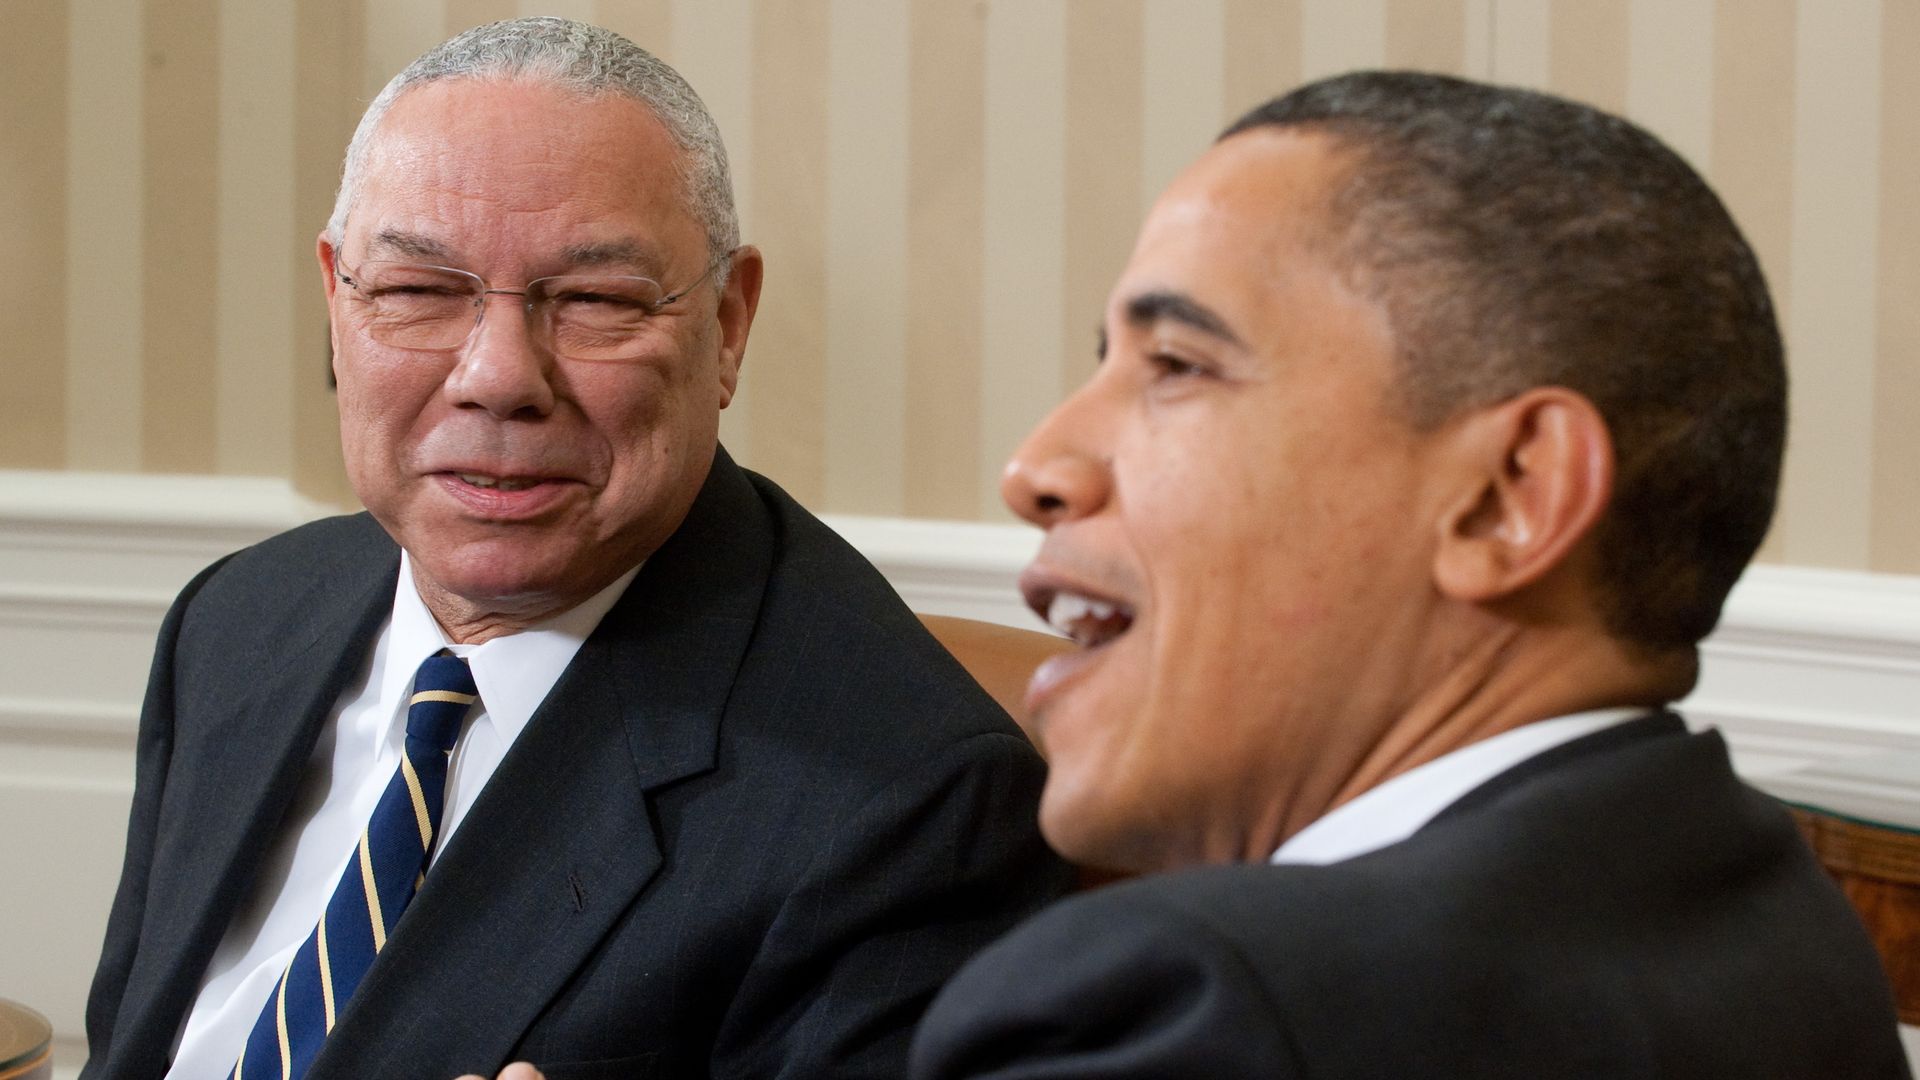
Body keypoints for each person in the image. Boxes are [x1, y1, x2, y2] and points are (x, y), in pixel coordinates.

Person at [79, 18, 1068, 1080]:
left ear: (728, 325)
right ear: (336, 300)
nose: (498, 375)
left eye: (594, 300)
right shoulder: (236, 620)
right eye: (419, 291)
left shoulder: (905, 802)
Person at [909, 72, 1913, 1078]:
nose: (1036, 467)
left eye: (1177, 363)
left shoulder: (1210, 1014)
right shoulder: (1792, 931)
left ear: (1507, 494)